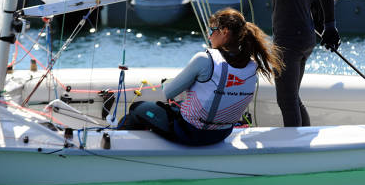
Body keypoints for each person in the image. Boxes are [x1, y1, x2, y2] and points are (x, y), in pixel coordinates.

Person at [120, 8, 284, 146]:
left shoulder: (204, 59)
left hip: (190, 133)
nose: (209, 35)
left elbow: (168, 93)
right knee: (178, 107)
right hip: (221, 134)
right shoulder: (252, 66)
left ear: (224, 32)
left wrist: (168, 83)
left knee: (138, 108)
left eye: (211, 31)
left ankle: (114, 145)